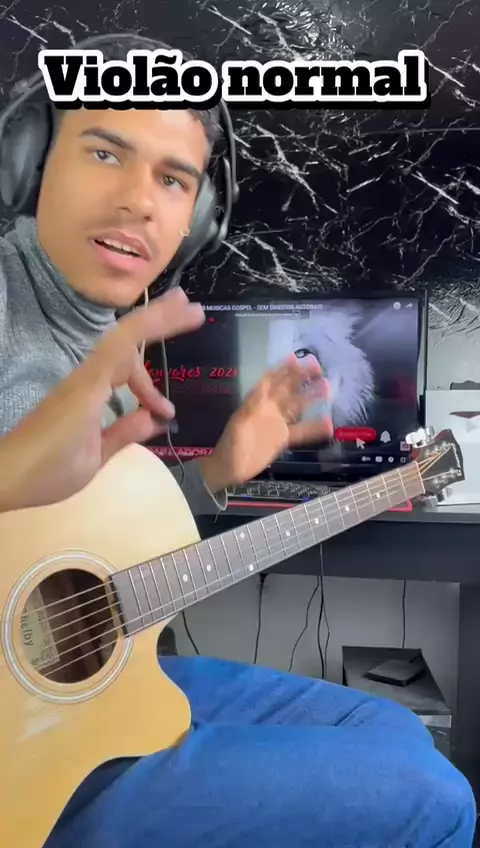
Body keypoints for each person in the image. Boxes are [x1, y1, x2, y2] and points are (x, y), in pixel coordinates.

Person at [0, 33, 475, 847]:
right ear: (30, 161)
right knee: (437, 797)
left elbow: (88, 545)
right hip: (29, 773)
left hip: (91, 694)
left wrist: (223, 467)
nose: (140, 201)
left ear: (199, 217)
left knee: (396, 730)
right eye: (106, 152)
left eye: (173, 178)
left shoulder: (107, 338)